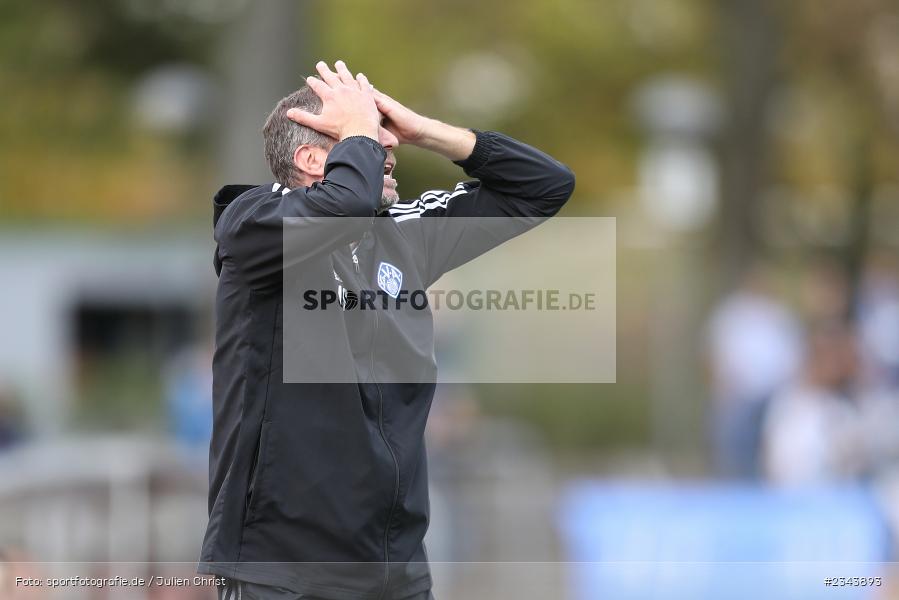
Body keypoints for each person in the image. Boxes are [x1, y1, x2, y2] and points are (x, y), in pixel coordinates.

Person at [197, 60, 575, 600]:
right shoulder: (252, 223)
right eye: (368, 144)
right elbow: (344, 203)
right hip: (283, 568)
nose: (387, 153)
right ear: (310, 159)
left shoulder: (403, 235)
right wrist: (357, 130)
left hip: (392, 570)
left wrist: (426, 130)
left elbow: (544, 187)